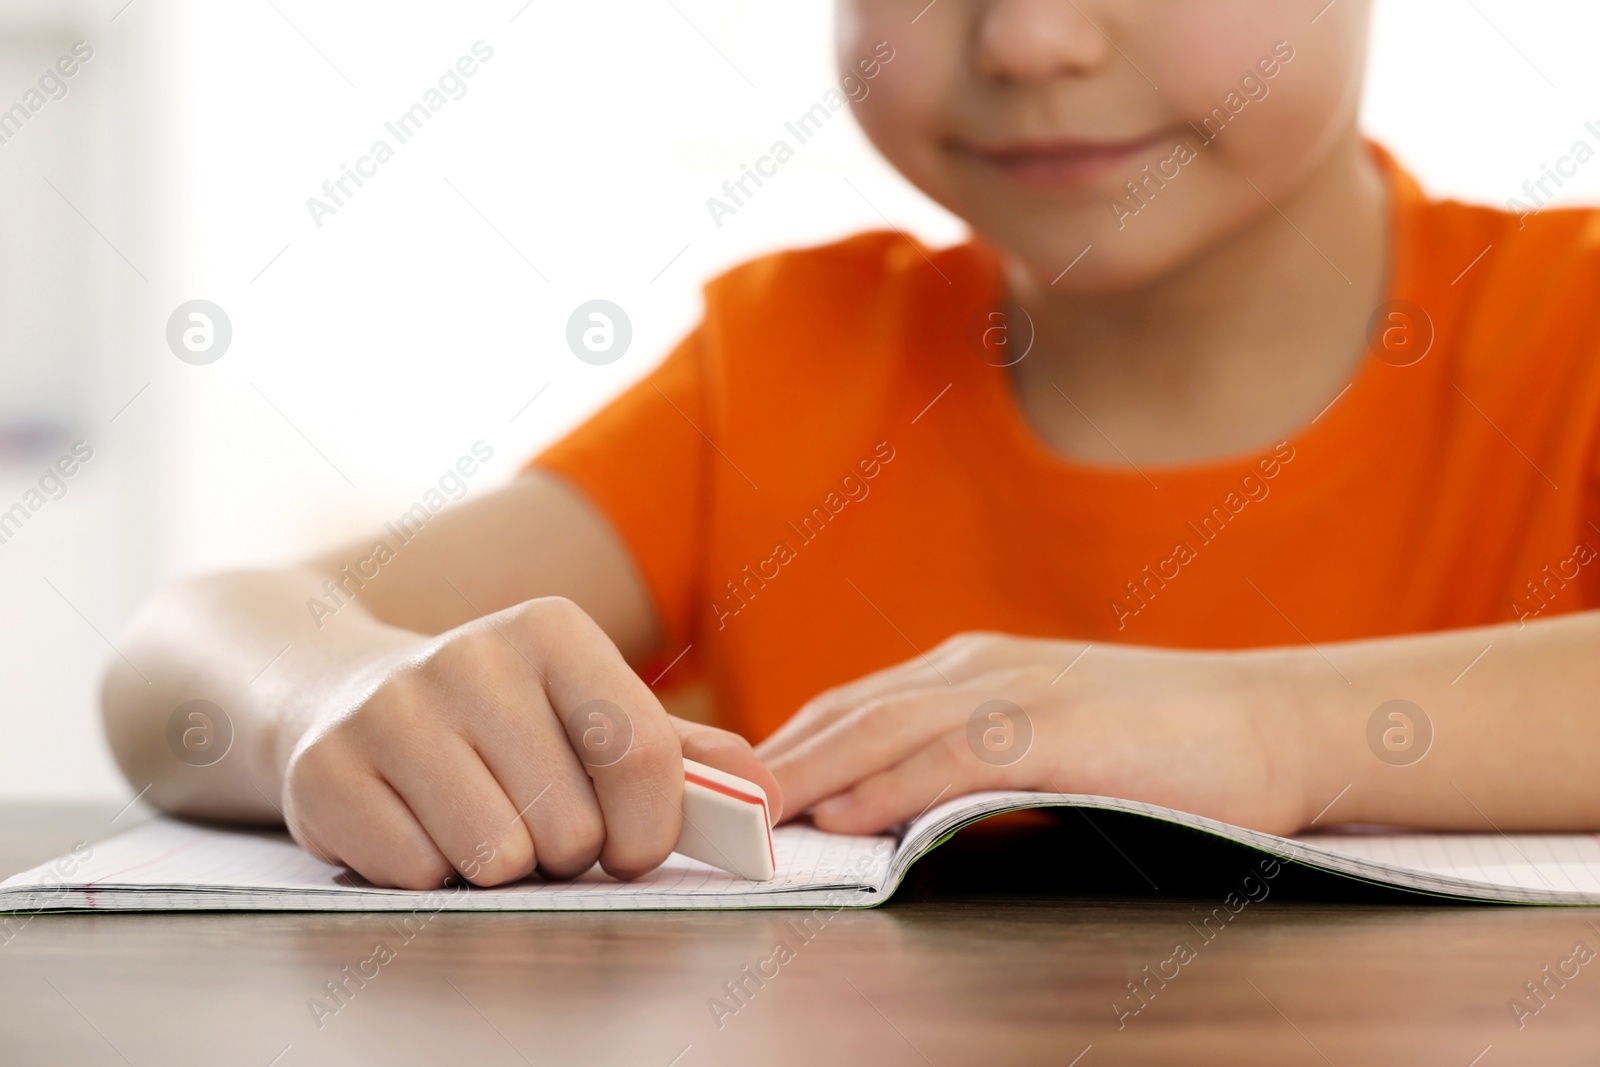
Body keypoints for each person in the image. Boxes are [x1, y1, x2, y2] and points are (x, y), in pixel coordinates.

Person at [103, 0, 1600, 889]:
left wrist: (1273, 733)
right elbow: (177, 658)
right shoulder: (793, 364)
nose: (1028, 38)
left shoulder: (1567, 324)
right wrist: (331, 691)